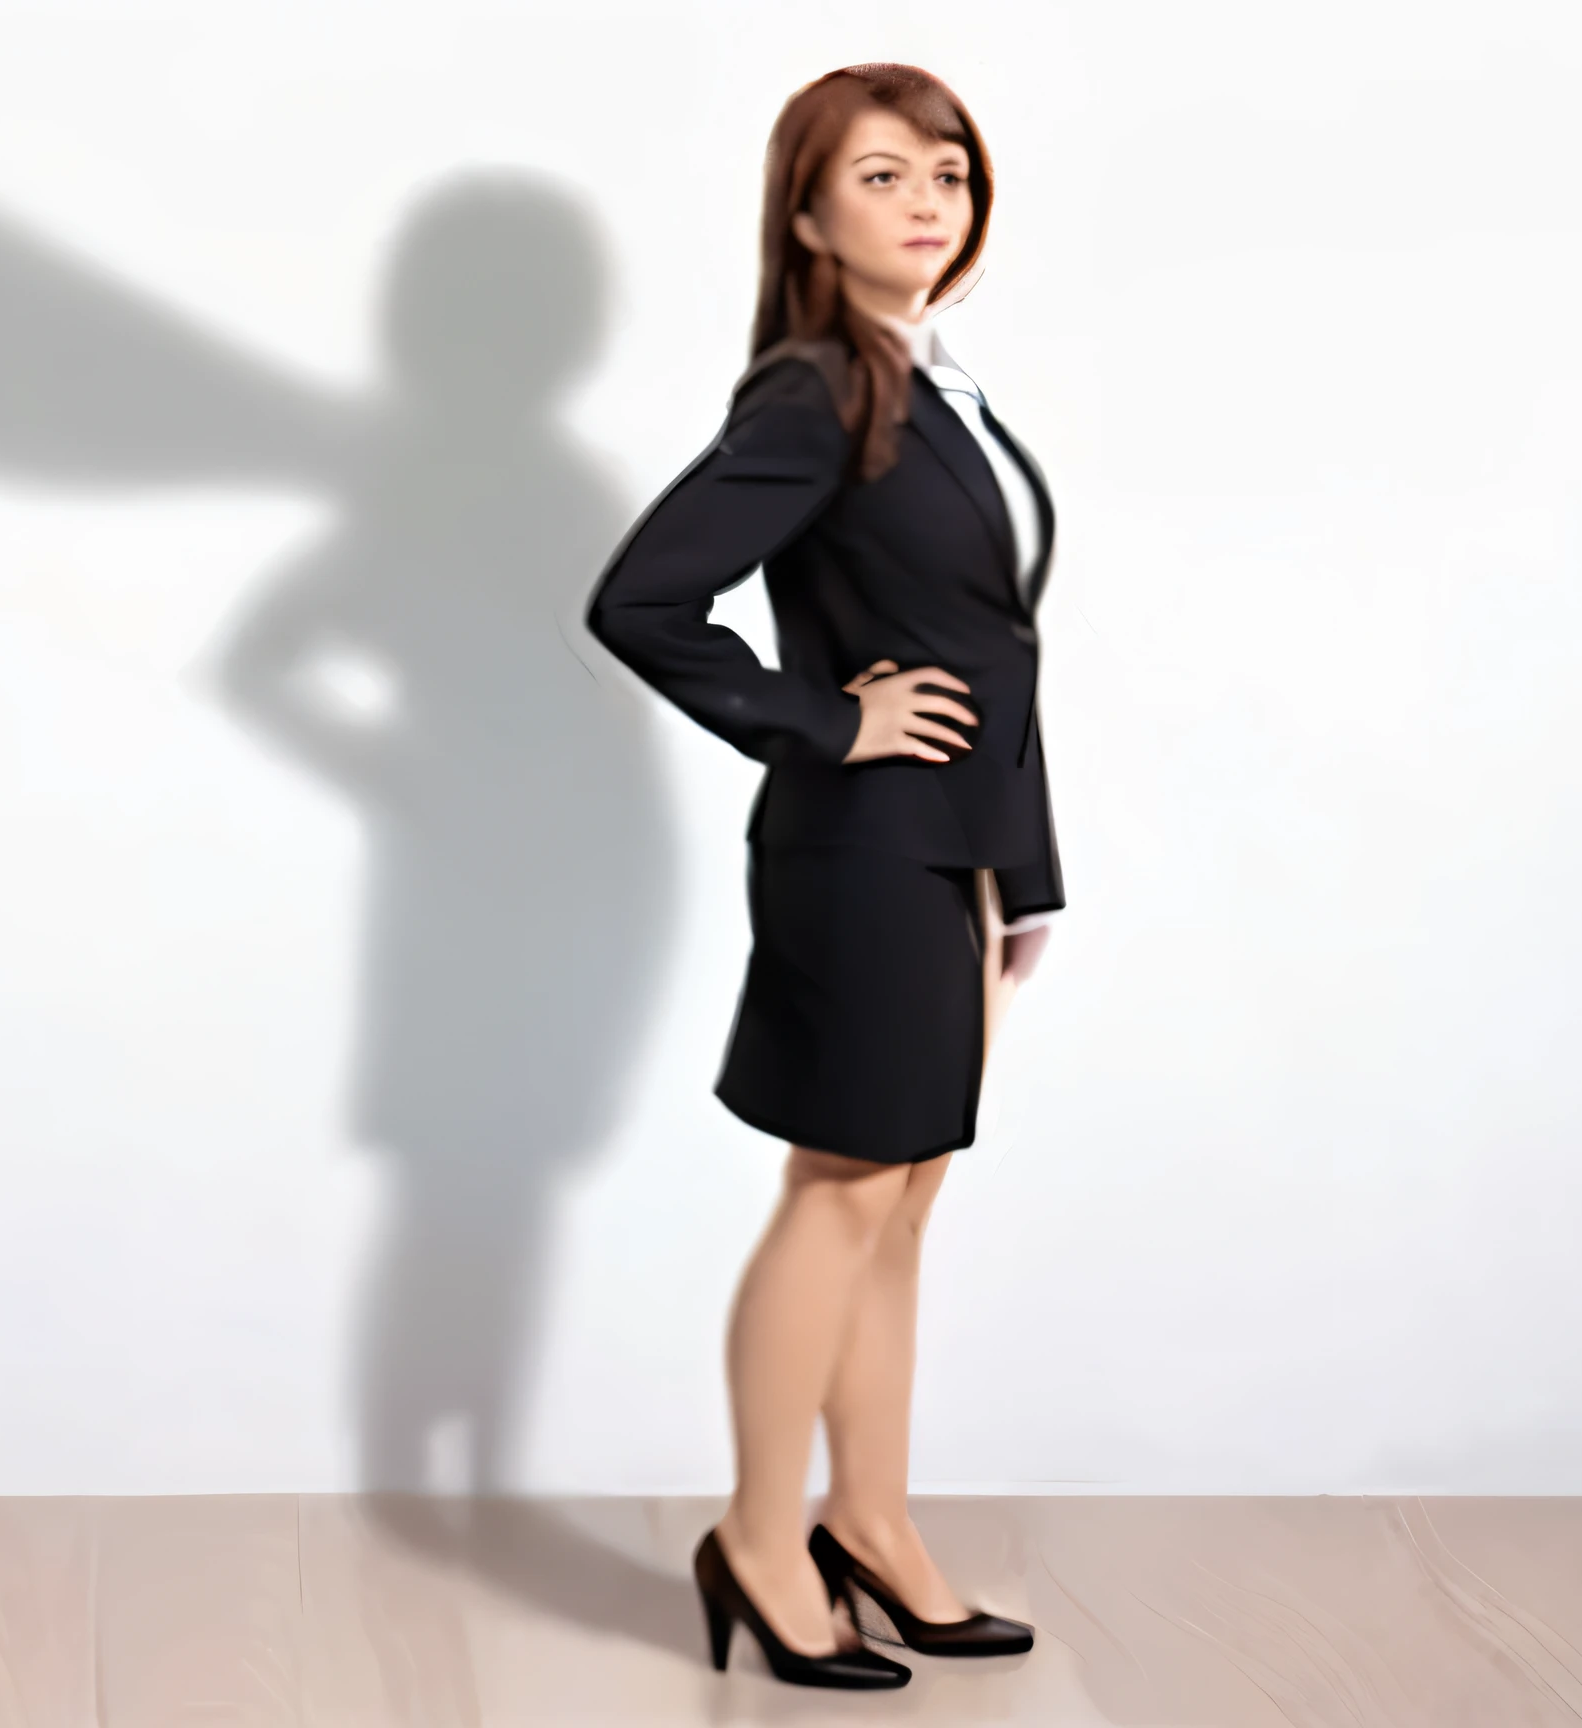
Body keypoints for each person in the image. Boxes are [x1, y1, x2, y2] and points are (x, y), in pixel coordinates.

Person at [585, 63, 1060, 1691]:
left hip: (952, 863)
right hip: (857, 861)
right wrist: (819, 723)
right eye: (881, 177)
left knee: (906, 1206)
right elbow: (644, 601)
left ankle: (874, 1522)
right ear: (805, 214)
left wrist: (1030, 876)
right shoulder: (812, 394)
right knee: (842, 1193)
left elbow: (996, 654)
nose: (928, 201)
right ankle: (763, 1541)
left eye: (949, 173)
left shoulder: (942, 395)